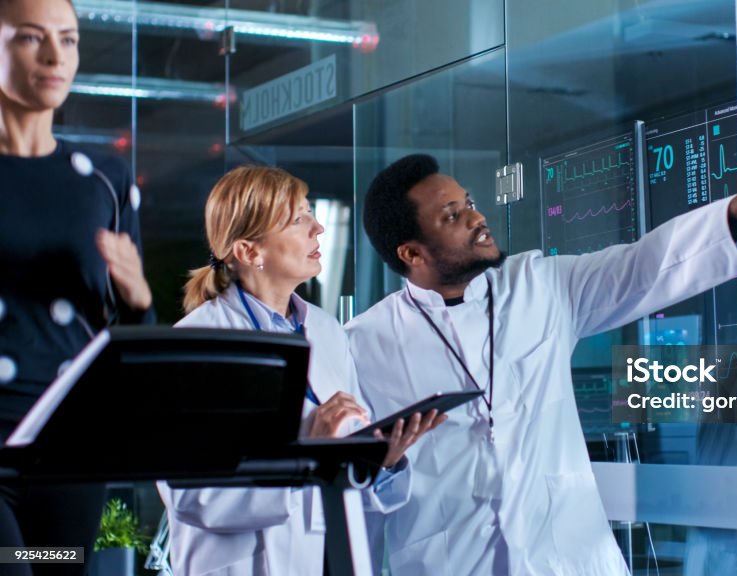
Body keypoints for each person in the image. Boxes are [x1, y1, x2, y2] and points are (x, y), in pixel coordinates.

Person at [346, 139, 737, 575]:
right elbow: (352, 489)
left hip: (568, 558)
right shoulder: (364, 345)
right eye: (452, 216)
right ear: (410, 252)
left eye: (468, 203)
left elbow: (644, 267)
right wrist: (384, 468)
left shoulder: (540, 286)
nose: (476, 218)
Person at [157, 166, 445, 576]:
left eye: (310, 213)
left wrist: (380, 460)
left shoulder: (326, 332)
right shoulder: (196, 344)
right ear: (249, 252)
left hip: (330, 557)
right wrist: (306, 449)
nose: (319, 228)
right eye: (298, 220)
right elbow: (190, 495)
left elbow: (340, 470)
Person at [0, 0, 153, 573]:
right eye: (30, 38)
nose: (53, 56)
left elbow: (127, 334)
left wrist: (139, 297)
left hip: (70, 454)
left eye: (68, 39)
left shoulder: (106, 182)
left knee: (55, 564)